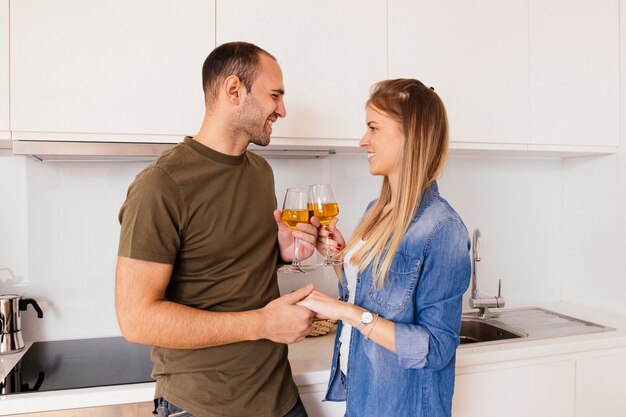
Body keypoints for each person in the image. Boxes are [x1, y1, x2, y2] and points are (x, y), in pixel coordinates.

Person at [115, 42, 319, 417]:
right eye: (275, 96)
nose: (283, 110)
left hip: (279, 397)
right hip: (202, 406)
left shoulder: (261, 172)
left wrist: (282, 251)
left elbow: (228, 265)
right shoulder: (161, 186)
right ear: (234, 90)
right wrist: (262, 323)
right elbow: (136, 319)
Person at [298, 79, 471, 417]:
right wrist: (338, 256)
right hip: (364, 395)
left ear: (411, 136)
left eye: (373, 128)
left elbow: (436, 349)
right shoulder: (377, 210)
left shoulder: (443, 229)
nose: (364, 141)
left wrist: (343, 311)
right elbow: (366, 293)